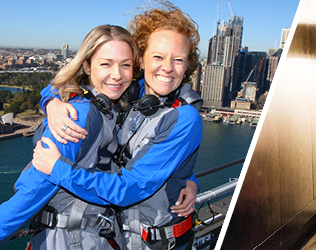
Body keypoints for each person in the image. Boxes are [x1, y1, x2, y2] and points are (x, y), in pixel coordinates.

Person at [0, 24, 197, 250]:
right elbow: (34, 187)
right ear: (87, 65)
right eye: (105, 63)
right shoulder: (79, 115)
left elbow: (149, 158)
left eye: (125, 64)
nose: (117, 75)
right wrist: (52, 101)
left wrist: (186, 176)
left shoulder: (136, 99)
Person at [34, 2, 203, 249]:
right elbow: (63, 81)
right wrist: (52, 103)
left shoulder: (184, 116)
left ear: (187, 65)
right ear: (141, 61)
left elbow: (129, 189)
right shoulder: (132, 92)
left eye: (178, 60)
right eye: (158, 56)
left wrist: (58, 168)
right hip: (122, 237)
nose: (167, 67)